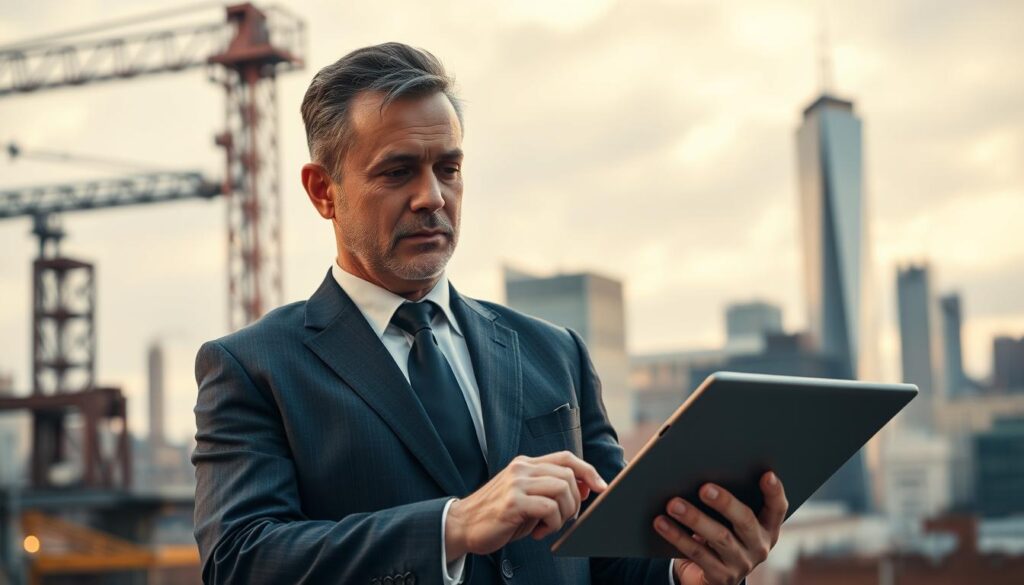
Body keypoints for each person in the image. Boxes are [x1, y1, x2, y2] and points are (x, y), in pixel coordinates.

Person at [192, 42, 788, 585]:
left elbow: (609, 557)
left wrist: (687, 576)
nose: (432, 197)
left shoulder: (557, 353)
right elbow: (240, 561)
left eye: (447, 168)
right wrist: (450, 527)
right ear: (324, 191)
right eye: (399, 171)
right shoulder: (252, 367)